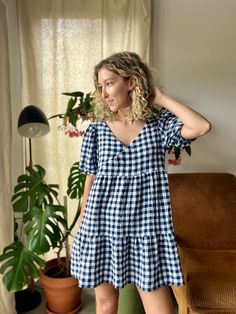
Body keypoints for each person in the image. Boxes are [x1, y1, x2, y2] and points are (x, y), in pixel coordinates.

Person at [71, 51, 211, 314]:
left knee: (160, 310)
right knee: (106, 303)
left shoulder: (158, 127)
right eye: (100, 87)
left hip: (146, 230)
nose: (104, 93)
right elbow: (90, 178)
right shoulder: (97, 131)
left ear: (131, 82)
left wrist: (160, 98)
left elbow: (201, 126)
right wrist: (81, 219)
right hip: (101, 227)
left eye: (110, 83)